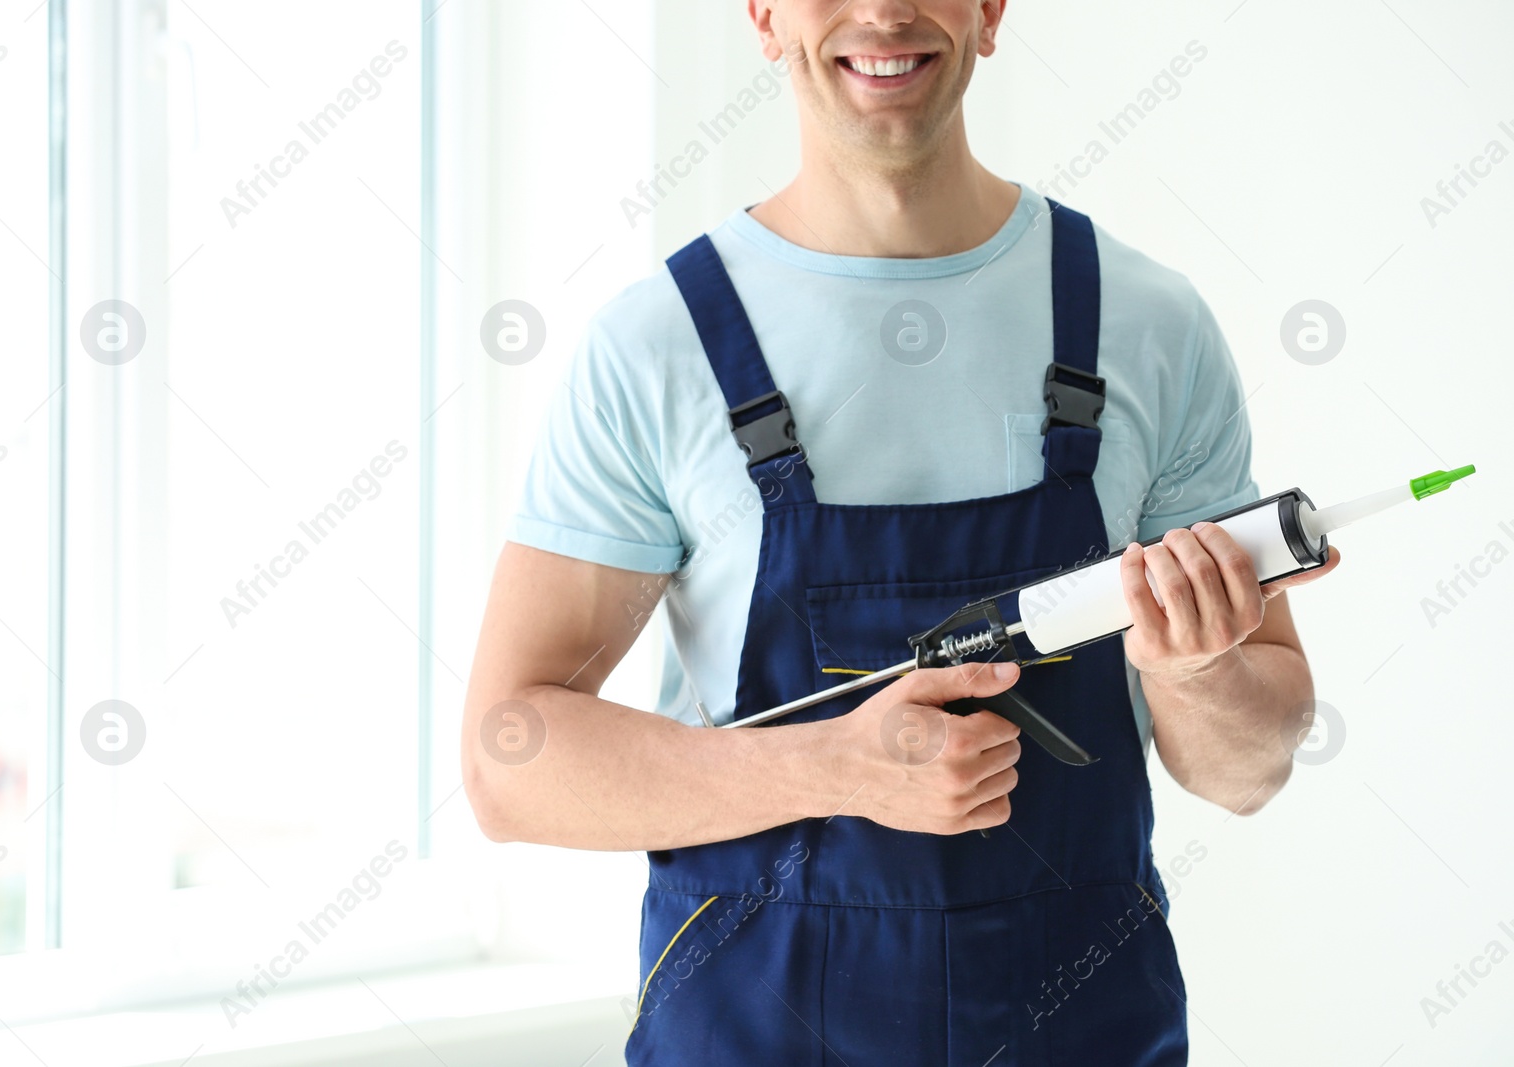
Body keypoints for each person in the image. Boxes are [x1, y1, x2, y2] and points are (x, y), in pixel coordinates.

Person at [463, 1, 1340, 1063]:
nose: (880, 12)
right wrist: (833, 766)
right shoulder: (657, 349)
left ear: (989, 11)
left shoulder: (1144, 323)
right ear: (763, 14)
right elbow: (508, 759)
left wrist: (1199, 672)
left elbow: (1248, 769)